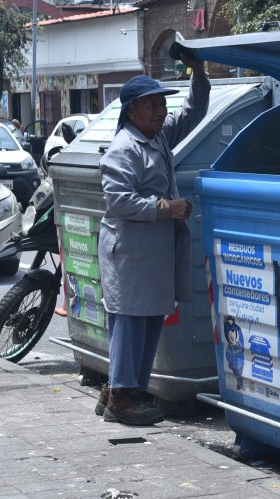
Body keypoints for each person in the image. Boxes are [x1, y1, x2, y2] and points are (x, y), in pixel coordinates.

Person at [96, 59, 210, 426]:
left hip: (151, 253)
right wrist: (165, 208)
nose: (161, 112)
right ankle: (122, 398)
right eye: (152, 105)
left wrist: (199, 72)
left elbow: (192, 114)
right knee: (130, 322)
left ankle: (122, 389)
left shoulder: (156, 137)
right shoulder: (124, 148)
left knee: (147, 321)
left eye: (162, 104)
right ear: (132, 111)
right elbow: (119, 201)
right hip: (130, 253)